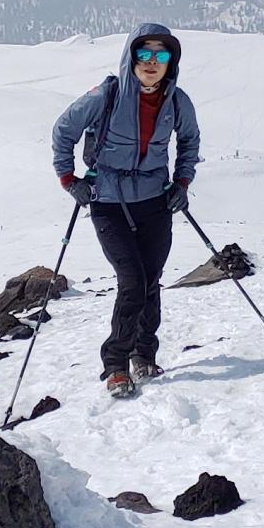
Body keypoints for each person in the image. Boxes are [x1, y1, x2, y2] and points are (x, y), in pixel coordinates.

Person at [50, 23, 201, 398]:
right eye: (144, 53)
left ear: (171, 62)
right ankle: (116, 365)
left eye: (161, 55)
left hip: (155, 200)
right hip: (108, 201)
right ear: (131, 58)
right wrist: (69, 180)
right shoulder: (108, 95)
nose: (152, 62)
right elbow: (63, 130)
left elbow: (189, 140)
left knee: (150, 281)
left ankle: (144, 355)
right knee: (132, 281)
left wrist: (181, 184)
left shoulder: (177, 101)